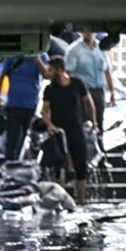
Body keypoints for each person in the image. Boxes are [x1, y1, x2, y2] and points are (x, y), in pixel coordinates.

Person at [41, 56, 97, 204]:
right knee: (59, 167)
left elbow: (89, 102)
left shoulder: (77, 83)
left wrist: (94, 122)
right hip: (59, 133)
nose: (48, 73)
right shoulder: (50, 89)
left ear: (59, 69)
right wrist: (50, 125)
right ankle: (61, 200)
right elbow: (44, 111)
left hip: (77, 130)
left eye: (50, 70)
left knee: (81, 166)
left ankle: (81, 200)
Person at [0, 53, 51, 160]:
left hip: (31, 104)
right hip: (14, 104)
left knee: (27, 138)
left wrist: (37, 60)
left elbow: (47, 75)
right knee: (12, 138)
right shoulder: (12, 56)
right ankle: (10, 163)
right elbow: (1, 76)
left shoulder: (41, 55)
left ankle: (23, 165)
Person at [66, 31, 116, 134]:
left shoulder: (101, 48)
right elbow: (68, 73)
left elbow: (107, 71)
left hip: (99, 91)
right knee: (84, 122)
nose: (88, 33)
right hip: (83, 92)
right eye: (85, 31)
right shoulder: (74, 50)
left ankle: (99, 145)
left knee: (99, 120)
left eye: (91, 31)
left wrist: (112, 91)